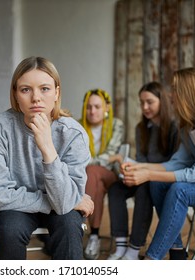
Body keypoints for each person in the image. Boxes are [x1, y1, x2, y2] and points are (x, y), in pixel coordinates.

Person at [0, 56, 94, 260]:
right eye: (26, 89)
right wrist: (65, 201)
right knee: (9, 229)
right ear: (15, 94)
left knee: (70, 224)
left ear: (56, 93)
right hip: (14, 208)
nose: (36, 98)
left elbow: (64, 205)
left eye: (44, 89)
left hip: (58, 205)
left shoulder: (73, 134)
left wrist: (47, 148)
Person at [120, 67, 195, 260]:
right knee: (158, 184)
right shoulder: (189, 127)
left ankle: (152, 259)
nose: (171, 95)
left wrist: (148, 174)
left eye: (175, 89)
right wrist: (140, 168)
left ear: (188, 93)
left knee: (179, 190)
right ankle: (177, 252)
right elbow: (176, 163)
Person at [107, 81, 178, 260]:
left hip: (162, 179)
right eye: (141, 102)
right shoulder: (141, 129)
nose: (145, 107)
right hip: (143, 174)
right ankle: (121, 245)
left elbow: (175, 163)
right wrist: (129, 169)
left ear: (162, 101)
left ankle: (134, 248)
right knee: (115, 189)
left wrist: (142, 172)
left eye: (150, 102)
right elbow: (141, 160)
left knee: (144, 188)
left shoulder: (174, 127)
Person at [79, 88, 125, 259]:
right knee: (94, 182)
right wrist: (111, 157)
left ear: (106, 107)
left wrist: (108, 158)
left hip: (110, 175)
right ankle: (94, 235)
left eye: (97, 107)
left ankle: (80, 224)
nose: (92, 111)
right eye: (89, 107)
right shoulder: (78, 125)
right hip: (89, 178)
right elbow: (78, 158)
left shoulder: (115, 125)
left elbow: (109, 155)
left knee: (91, 171)